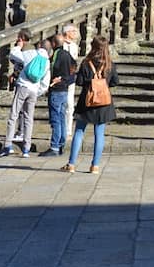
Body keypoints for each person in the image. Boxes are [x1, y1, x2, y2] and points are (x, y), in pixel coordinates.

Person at [62, 36, 117, 174]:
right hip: (103, 103)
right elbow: (115, 81)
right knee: (100, 133)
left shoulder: (86, 63)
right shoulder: (110, 64)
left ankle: (72, 164)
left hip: (87, 101)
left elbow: (79, 81)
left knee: (79, 132)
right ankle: (95, 166)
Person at [0, 31, 50, 157]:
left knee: (14, 115)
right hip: (34, 90)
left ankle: (7, 145)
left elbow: (14, 54)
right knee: (29, 119)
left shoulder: (30, 53)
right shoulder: (46, 61)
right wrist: (38, 91)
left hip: (23, 86)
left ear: (39, 46)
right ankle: (26, 149)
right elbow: (45, 81)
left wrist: (19, 45)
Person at [42, 29, 76, 158]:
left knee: (56, 119)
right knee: (61, 117)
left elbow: (51, 69)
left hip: (57, 90)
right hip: (64, 90)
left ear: (54, 44)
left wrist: (60, 78)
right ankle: (60, 144)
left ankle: (54, 146)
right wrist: (66, 79)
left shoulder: (56, 55)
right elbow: (74, 69)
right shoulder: (67, 55)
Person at [62, 24, 80, 144]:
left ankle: (68, 130)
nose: (75, 33)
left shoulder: (74, 46)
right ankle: (60, 130)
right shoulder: (60, 44)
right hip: (60, 78)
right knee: (61, 105)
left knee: (70, 104)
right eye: (73, 31)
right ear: (67, 32)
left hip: (70, 78)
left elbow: (75, 62)